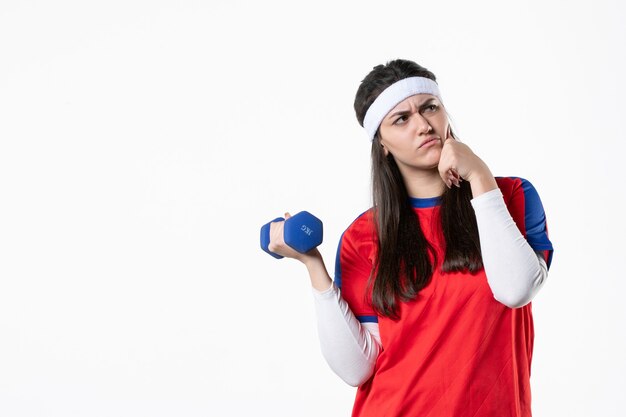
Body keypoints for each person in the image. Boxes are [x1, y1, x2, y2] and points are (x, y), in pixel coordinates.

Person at [267, 59, 554, 417]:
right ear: (382, 144)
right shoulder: (363, 237)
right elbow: (357, 368)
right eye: (401, 119)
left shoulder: (511, 196)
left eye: (430, 108)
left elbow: (516, 289)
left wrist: (479, 174)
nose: (423, 125)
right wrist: (313, 266)